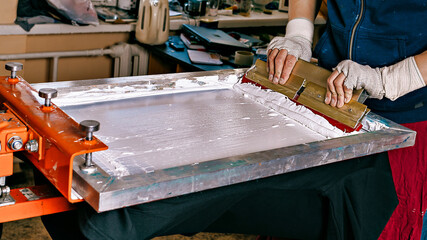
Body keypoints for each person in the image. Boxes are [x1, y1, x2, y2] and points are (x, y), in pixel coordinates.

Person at [267, 0, 427, 239]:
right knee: (304, 217)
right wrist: (298, 33)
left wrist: (390, 80)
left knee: (375, 222)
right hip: (329, 94)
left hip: (405, 116)